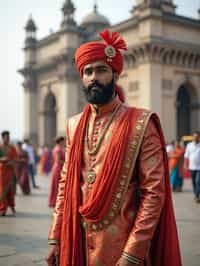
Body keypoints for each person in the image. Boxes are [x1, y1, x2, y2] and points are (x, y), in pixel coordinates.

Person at [46, 29, 181, 266]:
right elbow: (65, 185)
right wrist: (56, 237)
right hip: (77, 239)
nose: (94, 78)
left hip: (122, 246)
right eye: (88, 71)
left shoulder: (141, 123)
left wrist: (133, 253)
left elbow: (154, 193)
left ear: (115, 74)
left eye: (101, 70)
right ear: (81, 77)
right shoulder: (74, 125)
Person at [0, 131, 17, 216]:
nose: (8, 139)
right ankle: (2, 208)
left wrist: (12, 162)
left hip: (10, 172)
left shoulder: (12, 148)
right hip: (2, 171)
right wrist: (3, 160)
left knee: (11, 191)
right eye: (6, 137)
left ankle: (12, 206)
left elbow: (15, 158)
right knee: (2, 190)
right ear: (2, 138)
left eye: (8, 138)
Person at [48, 137, 65, 208]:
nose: (64, 142)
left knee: (56, 185)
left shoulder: (57, 148)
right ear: (60, 141)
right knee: (57, 186)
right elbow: (58, 160)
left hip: (57, 168)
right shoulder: (58, 149)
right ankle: (54, 201)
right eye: (63, 141)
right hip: (58, 168)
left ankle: (55, 201)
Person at [184, 131, 200, 203]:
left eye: (197, 137)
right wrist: (185, 164)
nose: (195, 138)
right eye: (194, 137)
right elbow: (186, 156)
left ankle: (197, 196)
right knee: (193, 182)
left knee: (198, 181)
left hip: (199, 167)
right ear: (193, 137)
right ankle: (196, 194)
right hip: (192, 167)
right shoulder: (189, 145)